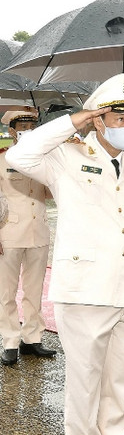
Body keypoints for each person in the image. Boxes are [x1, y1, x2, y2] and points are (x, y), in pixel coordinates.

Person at [7, 73, 124, 435]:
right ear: (97, 119)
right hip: (84, 291)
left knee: (118, 385)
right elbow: (19, 155)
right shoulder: (67, 157)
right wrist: (73, 121)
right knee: (84, 385)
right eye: (118, 118)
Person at [0, 107, 56, 366]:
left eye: (32, 127)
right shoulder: (2, 159)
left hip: (38, 232)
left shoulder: (43, 160)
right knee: (6, 292)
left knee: (34, 291)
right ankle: (10, 341)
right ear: (12, 131)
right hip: (8, 234)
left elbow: (50, 194)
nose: (28, 131)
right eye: (23, 127)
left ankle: (32, 338)